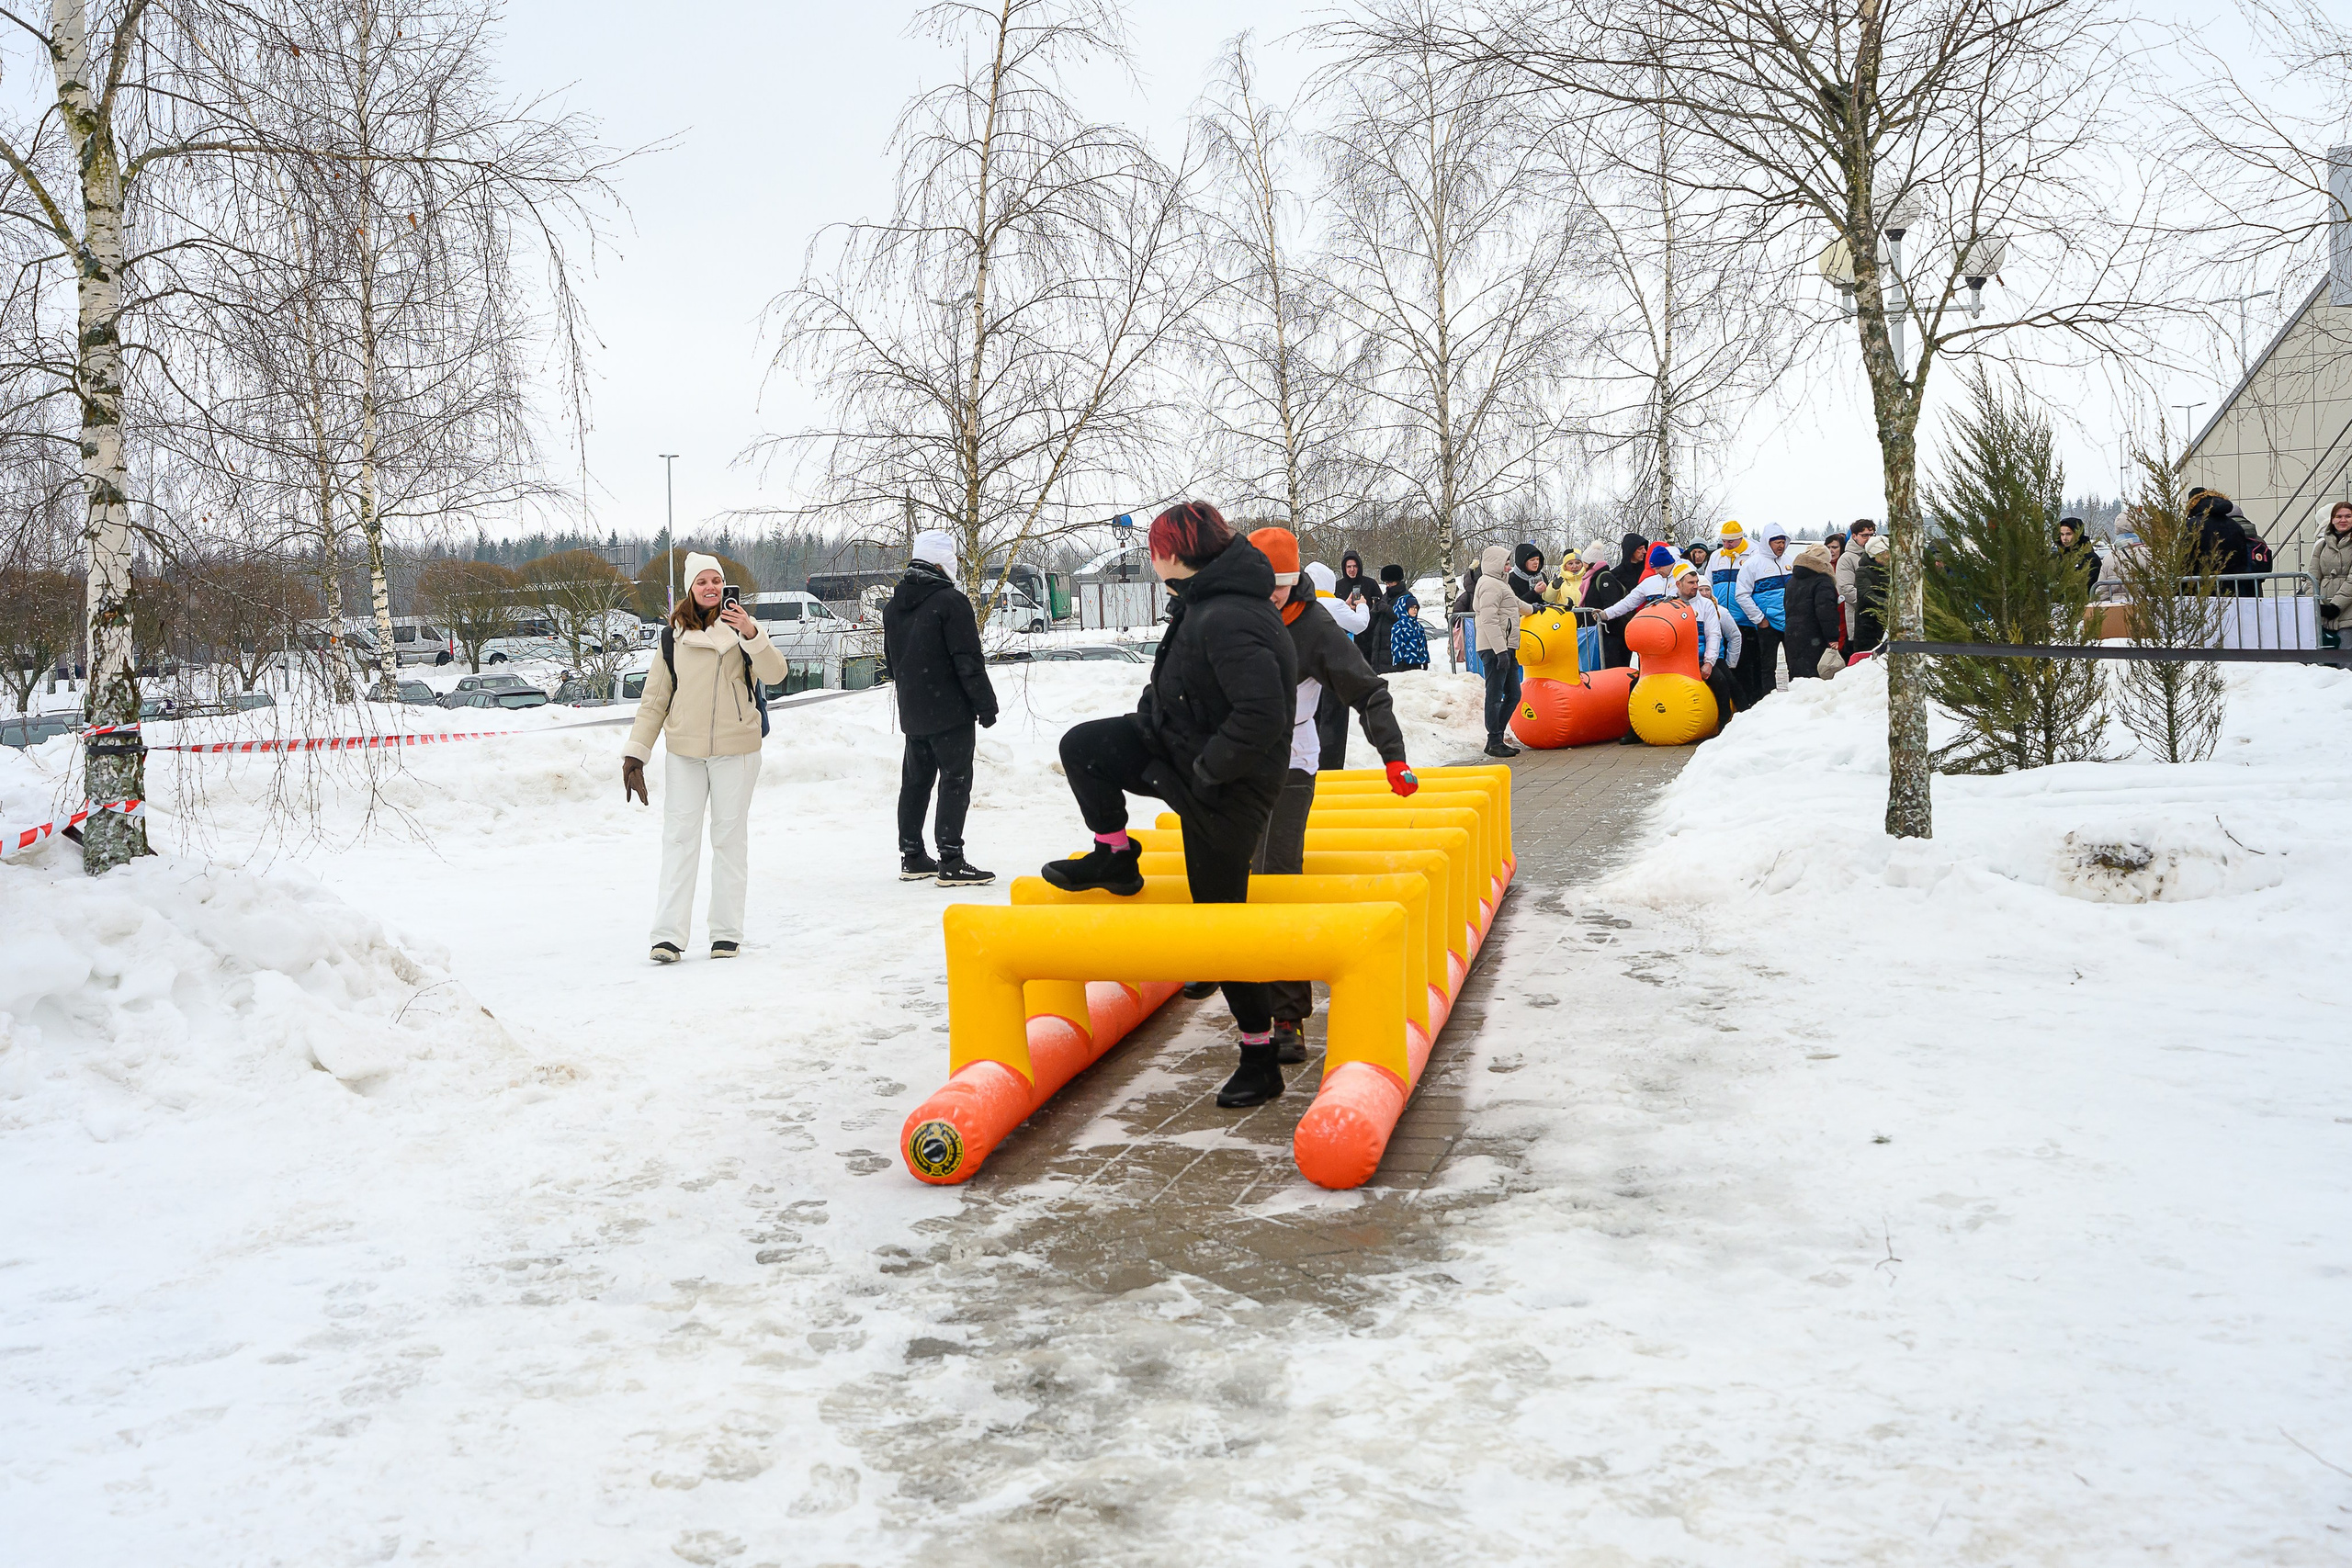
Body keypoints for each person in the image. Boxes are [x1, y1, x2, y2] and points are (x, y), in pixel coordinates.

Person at [1041, 502, 1298, 1108]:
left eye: (1156, 549)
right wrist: (1151, 716)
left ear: (1174, 554)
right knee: (1086, 747)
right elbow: (1187, 685)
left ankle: (1260, 1057)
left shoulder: (1230, 615)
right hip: (1181, 754)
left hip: (1226, 787)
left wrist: (1208, 772)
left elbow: (1262, 715)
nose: (1152, 559)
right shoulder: (1204, 603)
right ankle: (1115, 856)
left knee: (1218, 925)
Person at [1247, 527, 1419, 1063]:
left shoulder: (1315, 625)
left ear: (1296, 579)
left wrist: (1392, 754)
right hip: (1237, 759)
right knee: (1237, 872)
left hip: (1291, 758)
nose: (1272, 594)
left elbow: (1368, 690)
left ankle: (1287, 1017)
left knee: (1277, 874)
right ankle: (1230, 975)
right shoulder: (1232, 612)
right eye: (1262, 584)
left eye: (1281, 584)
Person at [621, 553, 788, 964]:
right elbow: (654, 700)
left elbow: (776, 675)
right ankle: (668, 936)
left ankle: (726, 934)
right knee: (679, 840)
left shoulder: (744, 629)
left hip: (737, 750)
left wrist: (751, 632)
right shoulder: (671, 638)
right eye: (702, 582)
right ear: (690, 588)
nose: (711, 588)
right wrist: (636, 755)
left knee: (729, 840)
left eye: (716, 581)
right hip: (685, 753)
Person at [881, 528, 999, 886]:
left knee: (915, 783)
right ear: (939, 562)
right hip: (950, 712)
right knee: (955, 781)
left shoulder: (893, 607)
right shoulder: (951, 602)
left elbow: (891, 665)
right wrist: (985, 705)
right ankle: (951, 860)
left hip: (913, 712)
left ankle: (912, 855)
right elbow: (968, 660)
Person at [1308, 561, 1371, 768]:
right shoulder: (1333, 605)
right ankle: (1331, 768)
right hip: (1335, 673)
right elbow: (1359, 624)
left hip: (1307, 672)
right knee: (1334, 722)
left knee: (1312, 720)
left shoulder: (1303, 604)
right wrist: (1362, 606)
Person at [1473, 542, 1525, 757]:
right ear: (1495, 563)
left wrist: (1536, 609)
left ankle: (1496, 737)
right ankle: (1494, 740)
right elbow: (1489, 620)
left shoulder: (1501, 584)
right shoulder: (1490, 584)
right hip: (1494, 648)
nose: (1509, 566)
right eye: (1506, 562)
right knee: (1494, 695)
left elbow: (1516, 604)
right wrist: (1500, 651)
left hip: (1505, 646)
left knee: (1514, 694)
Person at [1736, 523, 1792, 702]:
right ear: (1767, 543)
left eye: (1783, 542)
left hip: (1790, 622)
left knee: (1795, 663)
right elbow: (1741, 594)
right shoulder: (1752, 565)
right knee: (1767, 665)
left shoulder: (1790, 562)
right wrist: (1759, 619)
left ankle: (1796, 698)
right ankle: (1768, 700)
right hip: (1767, 624)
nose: (1780, 546)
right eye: (1776, 542)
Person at [1585, 531, 1649, 668]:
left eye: (1645, 548)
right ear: (1631, 550)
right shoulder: (1615, 574)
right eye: (1640, 548)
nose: (1644, 551)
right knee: (1620, 667)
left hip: (1645, 624)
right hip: (1620, 628)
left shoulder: (1647, 572)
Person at [1781, 542, 1842, 679]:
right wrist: (1832, 636)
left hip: (1792, 633)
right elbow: (1826, 611)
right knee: (1815, 677)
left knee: (1797, 676)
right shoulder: (1822, 581)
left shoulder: (1792, 580)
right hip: (1815, 636)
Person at [1338, 549, 1395, 673]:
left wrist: (1369, 609)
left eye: (1355, 566)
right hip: (1346, 639)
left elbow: (1380, 606)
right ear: (1344, 568)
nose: (1352, 570)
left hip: (1369, 638)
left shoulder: (1370, 584)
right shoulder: (1338, 586)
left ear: (1359, 567)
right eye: (1349, 567)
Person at [2312, 501, 2352, 647]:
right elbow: (2312, 576)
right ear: (2332, 519)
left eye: (2348, 516)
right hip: (2323, 612)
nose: (2343, 520)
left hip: (2348, 612)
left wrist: (2336, 606)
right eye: (2338, 516)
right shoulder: (2322, 545)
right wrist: (2314, 603)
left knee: (2345, 655)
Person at [1383, 565, 1431, 671]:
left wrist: (1425, 659)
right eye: (1386, 583)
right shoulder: (1385, 598)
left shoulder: (1406, 599)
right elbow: (1397, 645)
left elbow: (1422, 644)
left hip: (1413, 662)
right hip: (1393, 658)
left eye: (1390, 582)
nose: (1388, 585)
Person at [1837, 518, 1876, 641]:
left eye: (1872, 535)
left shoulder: (1878, 556)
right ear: (1854, 536)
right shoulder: (1847, 558)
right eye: (1864, 535)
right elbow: (1845, 589)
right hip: (1858, 619)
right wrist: (1871, 603)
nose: (1869, 539)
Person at [1853, 534, 1891, 651]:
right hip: (1869, 625)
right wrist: (1888, 604)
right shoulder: (1863, 572)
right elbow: (1866, 595)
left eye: (1888, 552)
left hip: (1887, 623)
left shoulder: (1891, 571)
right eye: (1883, 553)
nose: (1887, 556)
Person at [2054, 516, 2101, 593]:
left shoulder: (2090, 558)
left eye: (2068, 534)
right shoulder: (2058, 557)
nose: (2064, 538)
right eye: (2062, 534)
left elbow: (2089, 584)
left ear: (2078, 534)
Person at [1508, 541, 1549, 607]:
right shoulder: (1511, 579)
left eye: (1537, 559)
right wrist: (1534, 592)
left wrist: (1553, 588)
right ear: (1523, 562)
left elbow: (1548, 600)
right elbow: (1515, 604)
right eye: (1532, 560)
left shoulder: (1542, 576)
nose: (1536, 563)